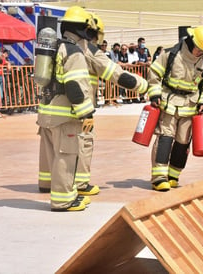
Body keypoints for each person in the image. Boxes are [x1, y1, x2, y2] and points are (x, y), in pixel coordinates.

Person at [70, 12, 148, 195]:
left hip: (53, 108)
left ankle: (48, 182)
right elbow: (117, 75)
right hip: (81, 107)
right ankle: (81, 184)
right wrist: (145, 87)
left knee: (53, 144)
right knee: (84, 141)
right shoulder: (89, 51)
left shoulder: (62, 46)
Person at [139, 26, 203, 191]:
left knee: (182, 143)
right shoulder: (170, 55)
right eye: (198, 49)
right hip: (168, 104)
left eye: (202, 50)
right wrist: (154, 95)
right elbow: (154, 75)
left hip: (190, 107)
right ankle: (159, 177)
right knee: (165, 139)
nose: (199, 53)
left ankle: (173, 175)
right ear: (190, 42)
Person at [37, 6, 95, 211]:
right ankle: (63, 200)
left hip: (48, 112)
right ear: (82, 30)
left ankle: (68, 195)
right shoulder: (73, 51)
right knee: (66, 157)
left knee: (55, 156)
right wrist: (86, 113)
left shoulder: (55, 48)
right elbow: (74, 85)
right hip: (64, 117)